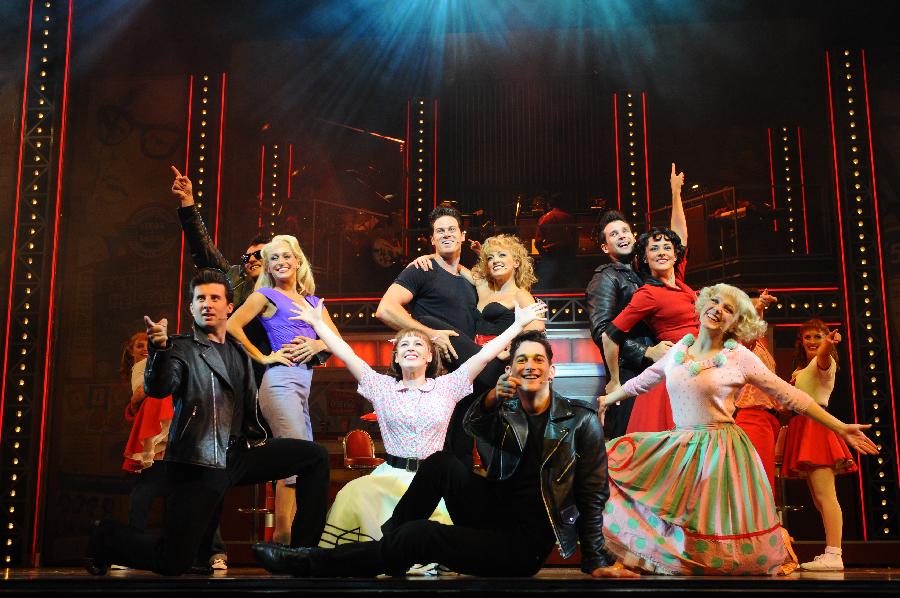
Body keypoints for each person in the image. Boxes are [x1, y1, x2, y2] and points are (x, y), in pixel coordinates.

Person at [251, 330, 637, 579]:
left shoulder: (581, 422)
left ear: (552, 371)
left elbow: (592, 494)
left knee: (420, 535)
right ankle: (391, 546)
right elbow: (473, 426)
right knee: (440, 462)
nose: (529, 366)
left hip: (521, 545)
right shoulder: (507, 412)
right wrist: (488, 397)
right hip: (491, 513)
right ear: (512, 370)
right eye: (521, 359)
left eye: (538, 360)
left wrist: (596, 560)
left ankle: (307, 562)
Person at [598, 284, 877, 575]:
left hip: (719, 450)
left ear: (737, 322)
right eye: (715, 301)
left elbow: (789, 395)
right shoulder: (680, 349)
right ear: (704, 304)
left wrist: (840, 426)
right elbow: (645, 380)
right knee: (612, 465)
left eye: (728, 308)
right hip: (681, 445)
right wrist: (609, 399)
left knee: (712, 525)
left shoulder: (739, 357)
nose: (718, 309)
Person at [85, 269, 331, 577]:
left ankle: (303, 554)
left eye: (215, 298)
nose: (207, 304)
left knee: (314, 456)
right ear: (191, 307)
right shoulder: (179, 349)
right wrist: (158, 352)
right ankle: (105, 536)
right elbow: (159, 387)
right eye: (200, 298)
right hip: (199, 462)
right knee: (173, 561)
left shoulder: (240, 353)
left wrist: (315, 347)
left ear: (229, 307)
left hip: (240, 454)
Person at [288, 296, 546, 547]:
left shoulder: (448, 386)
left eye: (418, 345)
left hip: (430, 482)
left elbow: (484, 356)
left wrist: (518, 325)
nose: (411, 348)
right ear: (396, 358)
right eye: (404, 345)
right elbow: (346, 353)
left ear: (429, 357)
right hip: (387, 480)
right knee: (351, 496)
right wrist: (318, 324)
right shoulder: (380, 386)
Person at [226, 234, 340, 545]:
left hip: (303, 387)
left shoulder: (314, 302)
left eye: (286, 256)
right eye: (274, 258)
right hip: (278, 383)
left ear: (298, 261)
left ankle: (291, 537)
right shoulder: (264, 295)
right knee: (300, 457)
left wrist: (317, 342)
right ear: (268, 266)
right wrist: (263, 356)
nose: (281, 262)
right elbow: (232, 326)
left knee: (300, 460)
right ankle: (287, 536)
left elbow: (336, 343)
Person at [376, 206, 485, 468]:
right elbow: (385, 309)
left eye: (451, 229)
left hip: (463, 378)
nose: (446, 234)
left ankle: (457, 508)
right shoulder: (421, 269)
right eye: (440, 231)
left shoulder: (469, 279)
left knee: (462, 450)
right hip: (434, 377)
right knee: (435, 453)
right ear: (433, 239)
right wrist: (430, 334)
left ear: (462, 236)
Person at [601, 163, 691, 434]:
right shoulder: (649, 292)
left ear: (676, 254)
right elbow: (609, 334)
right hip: (674, 370)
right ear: (645, 258)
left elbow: (681, 234)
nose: (662, 252)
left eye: (667, 247)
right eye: (654, 249)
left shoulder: (682, 282)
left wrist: (675, 193)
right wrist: (614, 380)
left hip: (698, 368)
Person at [585, 206, 680, 439]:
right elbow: (602, 331)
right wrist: (646, 351)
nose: (622, 236)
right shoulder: (605, 277)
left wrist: (676, 195)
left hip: (655, 368)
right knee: (630, 440)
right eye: (614, 234)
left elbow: (679, 245)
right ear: (605, 247)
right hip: (628, 371)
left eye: (625, 231)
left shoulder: (645, 274)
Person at [781, 319, 857, 571]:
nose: (813, 342)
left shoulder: (824, 361)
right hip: (803, 427)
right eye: (808, 337)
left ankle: (834, 554)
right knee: (818, 497)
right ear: (800, 342)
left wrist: (827, 345)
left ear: (826, 338)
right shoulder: (802, 368)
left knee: (826, 495)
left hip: (816, 428)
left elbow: (823, 356)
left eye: (818, 336)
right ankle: (831, 552)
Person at [534, 194, 579, 289]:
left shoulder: (544, 218)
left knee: (544, 287)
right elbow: (575, 240)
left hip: (550, 256)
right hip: (567, 256)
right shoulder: (569, 218)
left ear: (550, 205)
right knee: (571, 287)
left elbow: (537, 242)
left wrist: (544, 255)